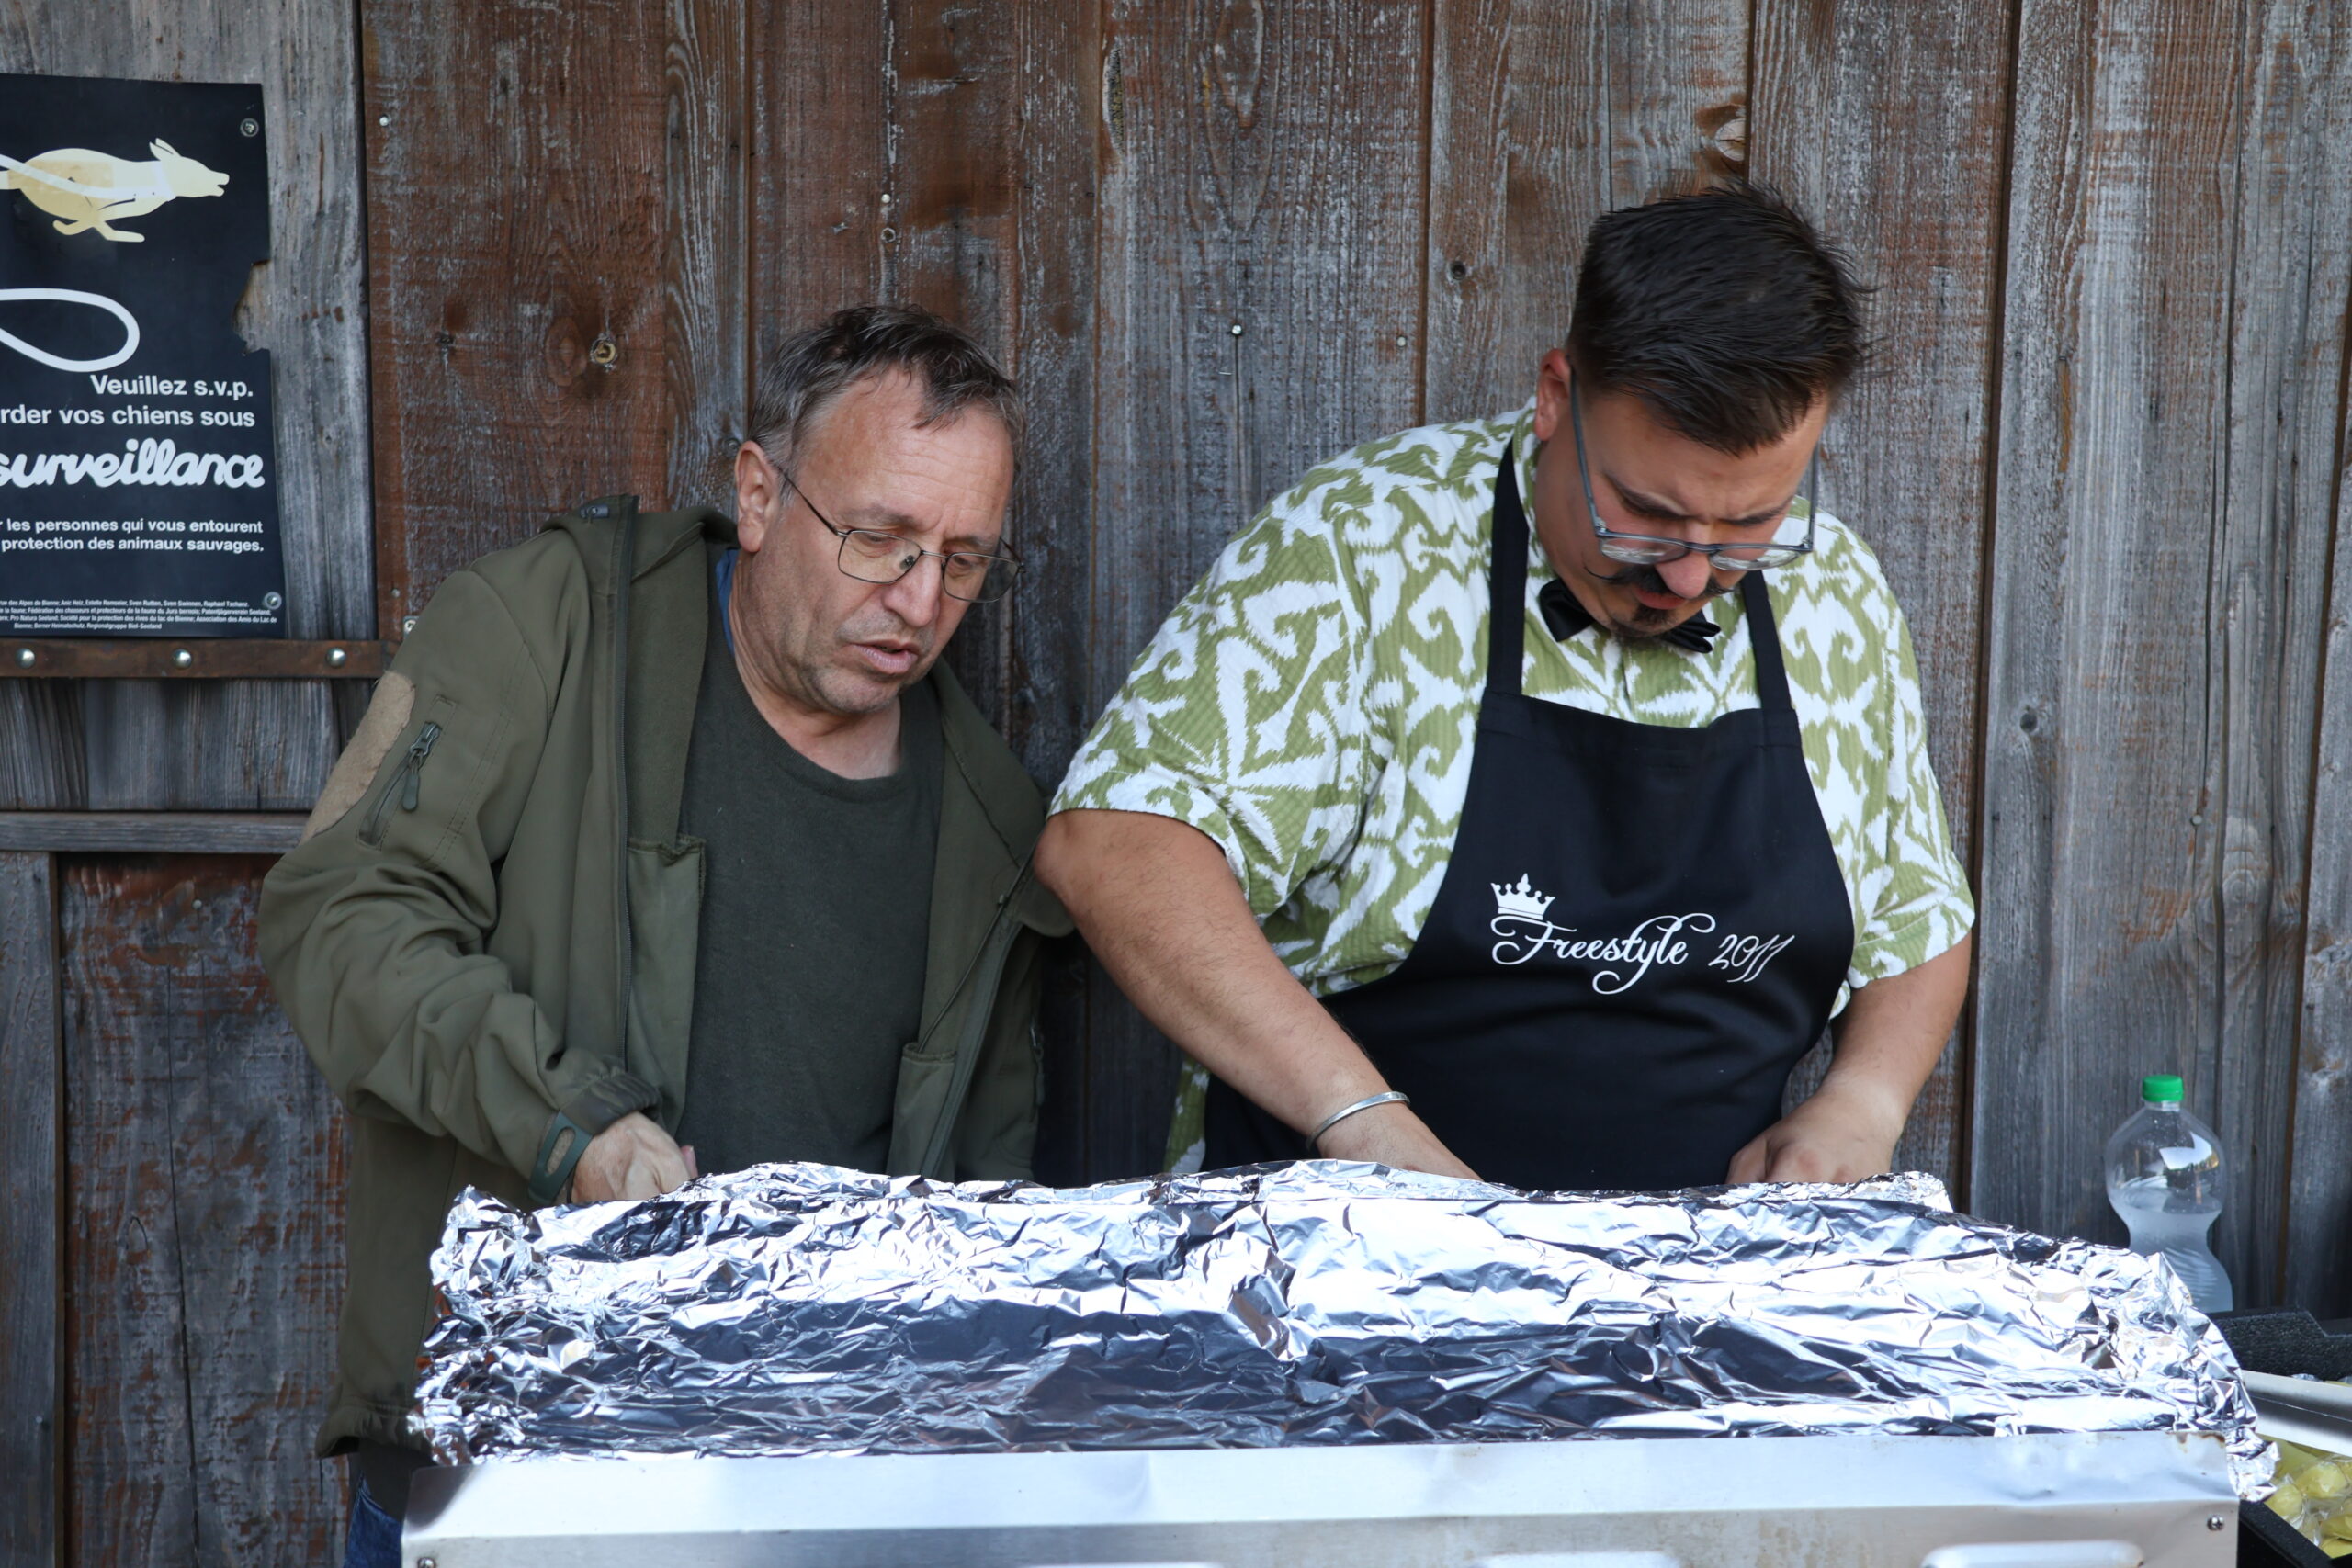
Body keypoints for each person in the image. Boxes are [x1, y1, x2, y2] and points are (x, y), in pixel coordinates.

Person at [261, 305, 1068, 1562]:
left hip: (825, 1503)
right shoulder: (543, 628)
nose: (919, 599)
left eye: (964, 560)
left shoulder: (993, 826)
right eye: (879, 538)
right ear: (758, 493)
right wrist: (570, 1126)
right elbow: (337, 917)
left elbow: (982, 1205)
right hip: (511, 1474)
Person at [1038, 180, 1973, 1192]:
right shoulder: (1363, 542)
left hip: (1698, 1268)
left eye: (1750, 524)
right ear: (1556, 397)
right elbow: (1116, 844)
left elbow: (1917, 912)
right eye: (1643, 515)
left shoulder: (1835, 593)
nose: (1687, 576)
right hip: (1350, 1241)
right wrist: (1366, 1129)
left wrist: (1864, 1102)